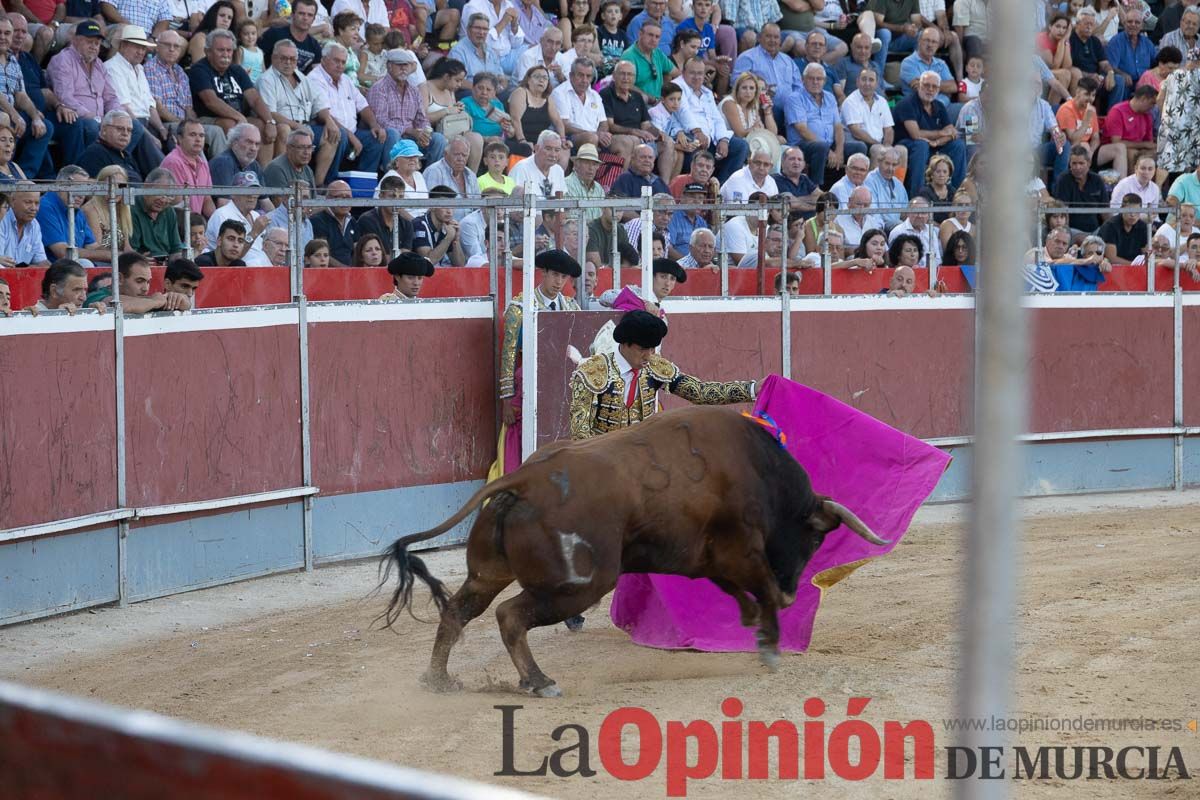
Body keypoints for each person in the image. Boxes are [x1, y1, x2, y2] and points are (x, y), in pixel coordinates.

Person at [496, 248, 582, 475]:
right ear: (543, 273)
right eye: (554, 275)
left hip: (561, 389)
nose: (559, 281)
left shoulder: (572, 307)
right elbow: (509, 355)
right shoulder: (520, 307)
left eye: (563, 277)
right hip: (528, 388)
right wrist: (506, 399)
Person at [255, 40, 343, 186]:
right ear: (273, 58)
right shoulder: (267, 80)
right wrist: (297, 126)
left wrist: (328, 120)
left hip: (305, 127)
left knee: (332, 135)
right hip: (285, 126)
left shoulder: (302, 78)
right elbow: (270, 112)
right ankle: (283, 181)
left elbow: (319, 102)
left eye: (292, 59)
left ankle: (316, 185)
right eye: (284, 58)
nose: (288, 62)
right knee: (285, 130)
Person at [308, 41, 399, 176]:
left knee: (377, 137)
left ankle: (364, 184)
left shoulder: (346, 80)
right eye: (336, 61)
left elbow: (363, 106)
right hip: (327, 129)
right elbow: (323, 115)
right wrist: (351, 137)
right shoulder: (315, 78)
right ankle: (330, 183)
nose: (340, 66)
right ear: (324, 60)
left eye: (343, 62)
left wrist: (374, 125)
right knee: (339, 134)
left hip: (352, 132)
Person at [367, 47, 445, 166]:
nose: (403, 68)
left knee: (438, 139)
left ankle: (428, 177)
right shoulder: (379, 88)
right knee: (393, 134)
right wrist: (409, 130)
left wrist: (424, 134)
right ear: (389, 66)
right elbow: (380, 121)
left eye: (406, 65)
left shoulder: (414, 91)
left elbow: (422, 119)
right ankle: (392, 175)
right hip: (391, 138)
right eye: (399, 65)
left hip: (412, 138)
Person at [893, 70, 965, 194]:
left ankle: (958, 194)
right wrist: (940, 133)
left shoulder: (939, 106)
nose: (930, 89)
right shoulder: (907, 104)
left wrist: (937, 142)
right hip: (908, 145)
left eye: (934, 87)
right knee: (921, 145)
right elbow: (915, 134)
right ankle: (917, 195)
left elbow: (951, 132)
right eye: (926, 85)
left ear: (938, 89)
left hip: (932, 145)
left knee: (958, 145)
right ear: (919, 86)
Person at [37, 164, 112, 263]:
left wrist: (118, 254)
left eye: (85, 189)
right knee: (85, 263)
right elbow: (63, 252)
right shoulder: (45, 206)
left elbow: (92, 247)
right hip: (55, 270)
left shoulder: (78, 211)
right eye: (77, 187)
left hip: (74, 268)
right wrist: (110, 255)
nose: (81, 195)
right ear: (60, 185)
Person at [161, 119, 216, 219]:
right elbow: (179, 205)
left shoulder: (203, 164)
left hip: (194, 224)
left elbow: (207, 200)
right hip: (178, 224)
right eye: (193, 135)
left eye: (201, 135)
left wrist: (217, 221)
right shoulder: (173, 162)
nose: (198, 139)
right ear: (180, 139)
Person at [130, 167, 183, 260]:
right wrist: (140, 260)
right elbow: (131, 251)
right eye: (159, 193)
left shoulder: (169, 211)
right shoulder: (132, 209)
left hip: (166, 265)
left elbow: (176, 250)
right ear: (146, 187)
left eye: (169, 195)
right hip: (140, 264)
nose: (163, 200)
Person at [309, 180, 358, 266]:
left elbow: (357, 249)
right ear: (328, 199)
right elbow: (322, 254)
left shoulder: (352, 221)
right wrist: (345, 271)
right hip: (328, 274)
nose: (345, 201)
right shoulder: (318, 220)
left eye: (348, 197)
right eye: (340, 197)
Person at [0, 183, 49, 268]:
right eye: (28, 202)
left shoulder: (34, 224)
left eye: (37, 203)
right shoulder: (2, 219)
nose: (34, 208)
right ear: (12, 201)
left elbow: (41, 261)